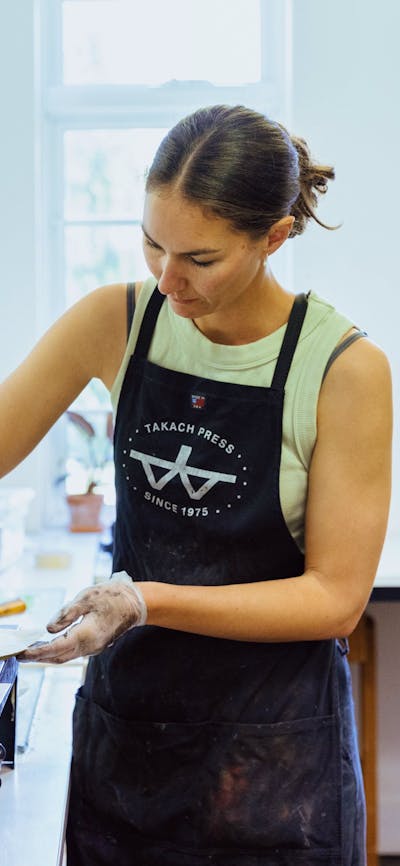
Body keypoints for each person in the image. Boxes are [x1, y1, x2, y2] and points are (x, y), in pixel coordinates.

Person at [2, 104, 391, 864]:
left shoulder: (344, 370)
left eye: (200, 259)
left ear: (273, 237)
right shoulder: (117, 320)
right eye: (153, 244)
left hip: (278, 765)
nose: (168, 279)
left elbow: (335, 600)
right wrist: (132, 607)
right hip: (130, 742)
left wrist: (144, 600)